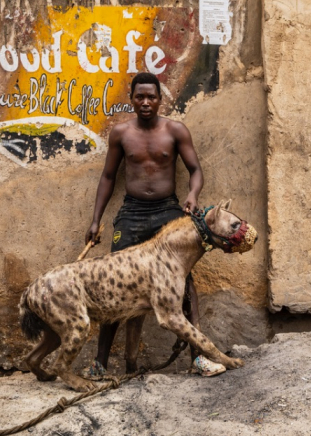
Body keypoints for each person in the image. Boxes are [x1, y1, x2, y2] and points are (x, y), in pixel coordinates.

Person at [82, 72, 225, 377]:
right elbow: (108, 177)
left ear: (161, 99)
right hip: (131, 214)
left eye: (152, 97)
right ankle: (100, 363)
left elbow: (196, 170)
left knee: (185, 283)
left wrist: (193, 194)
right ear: (131, 99)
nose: (146, 102)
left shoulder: (175, 131)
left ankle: (198, 357)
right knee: (112, 284)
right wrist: (95, 221)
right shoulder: (121, 134)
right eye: (140, 97)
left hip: (168, 213)